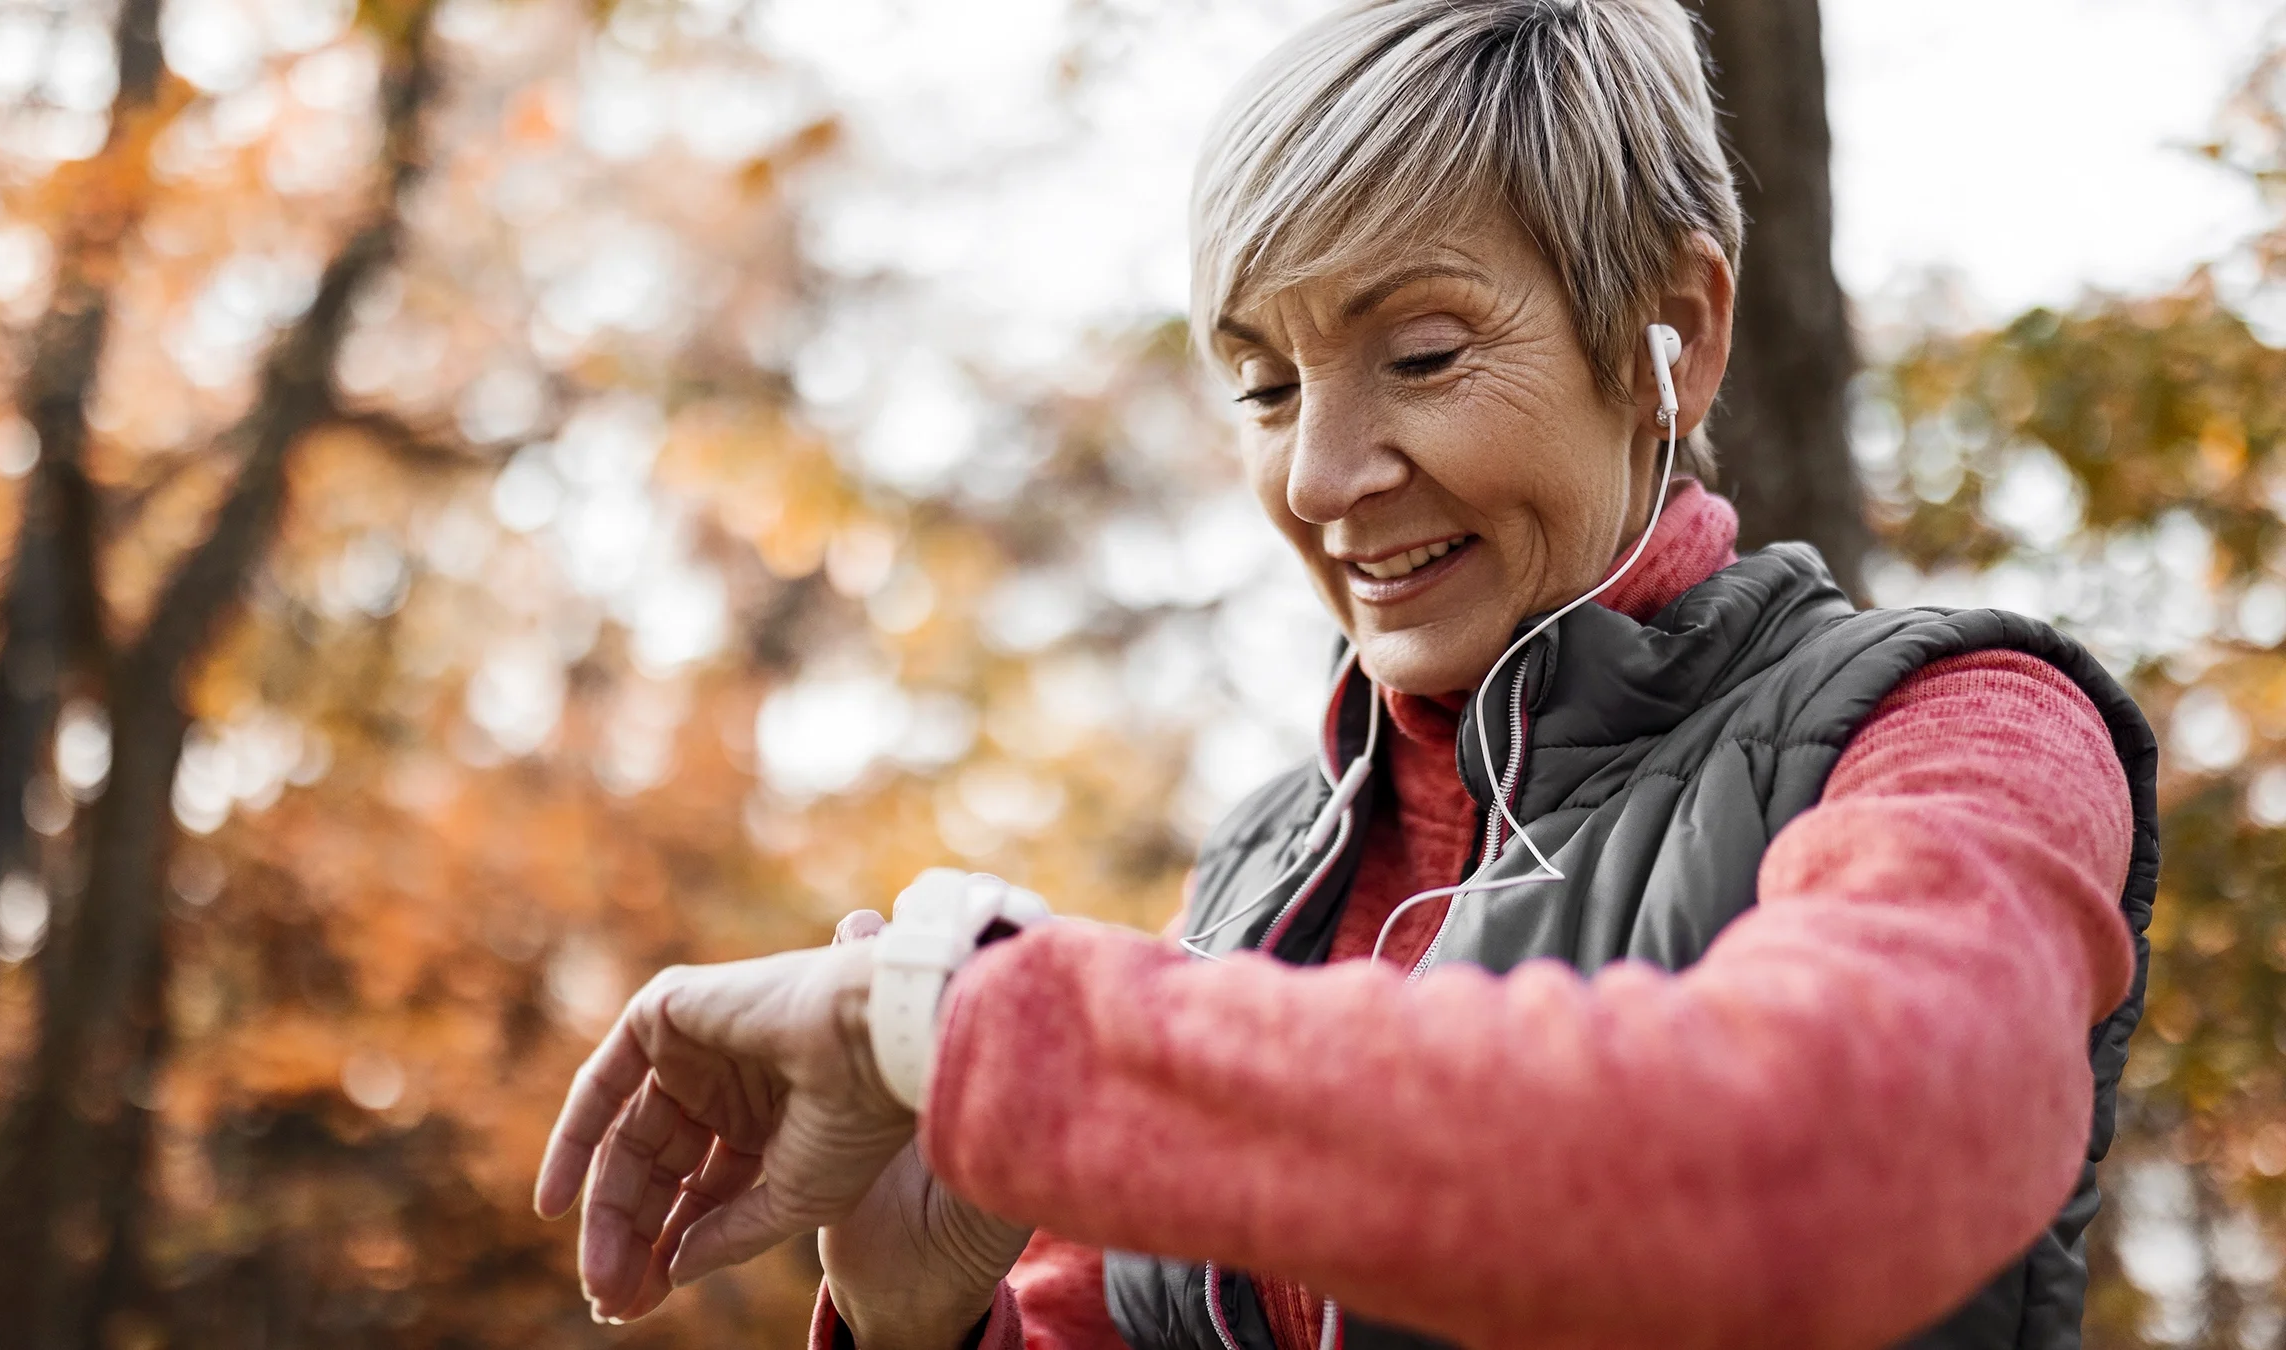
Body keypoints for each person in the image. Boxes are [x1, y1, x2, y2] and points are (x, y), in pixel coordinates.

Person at [531, 1, 2159, 1346]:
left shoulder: (1957, 731)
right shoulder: (1253, 877)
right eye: (1260, 385)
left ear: (1675, 327)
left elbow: (1810, 1168)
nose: (1318, 473)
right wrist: (928, 1321)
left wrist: (961, 1030)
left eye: (1424, 355)